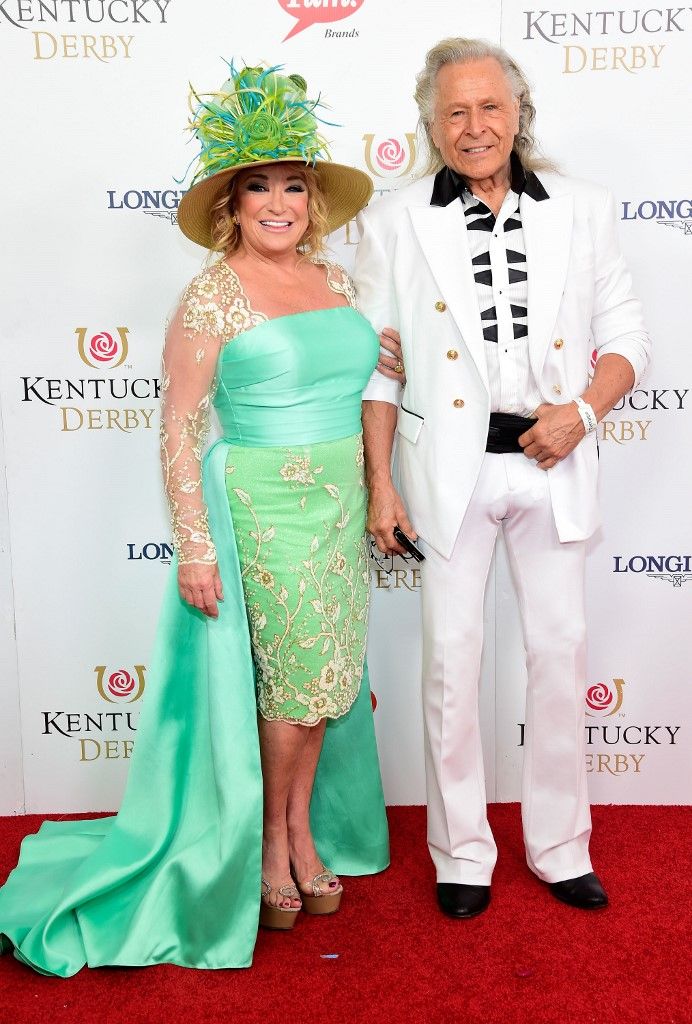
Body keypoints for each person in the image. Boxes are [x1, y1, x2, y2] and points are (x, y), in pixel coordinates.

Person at [0, 62, 399, 975]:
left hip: (339, 509)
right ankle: (270, 845)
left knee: (324, 687)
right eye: (259, 187)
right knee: (290, 689)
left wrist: (387, 388)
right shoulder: (212, 295)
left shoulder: (335, 280)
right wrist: (194, 546)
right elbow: (180, 426)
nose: (278, 203)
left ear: (312, 201)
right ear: (232, 205)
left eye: (293, 185)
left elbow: (358, 377)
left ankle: (301, 828)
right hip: (262, 508)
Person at [356, 38, 650, 919]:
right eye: (455, 111)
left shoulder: (584, 208)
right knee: (451, 663)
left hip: (552, 461)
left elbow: (628, 339)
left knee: (558, 654)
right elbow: (378, 369)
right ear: (431, 123)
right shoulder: (392, 219)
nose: (474, 126)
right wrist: (380, 484)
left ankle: (561, 847)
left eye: (490, 106)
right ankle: (461, 854)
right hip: (448, 473)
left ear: (519, 112)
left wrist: (583, 413)